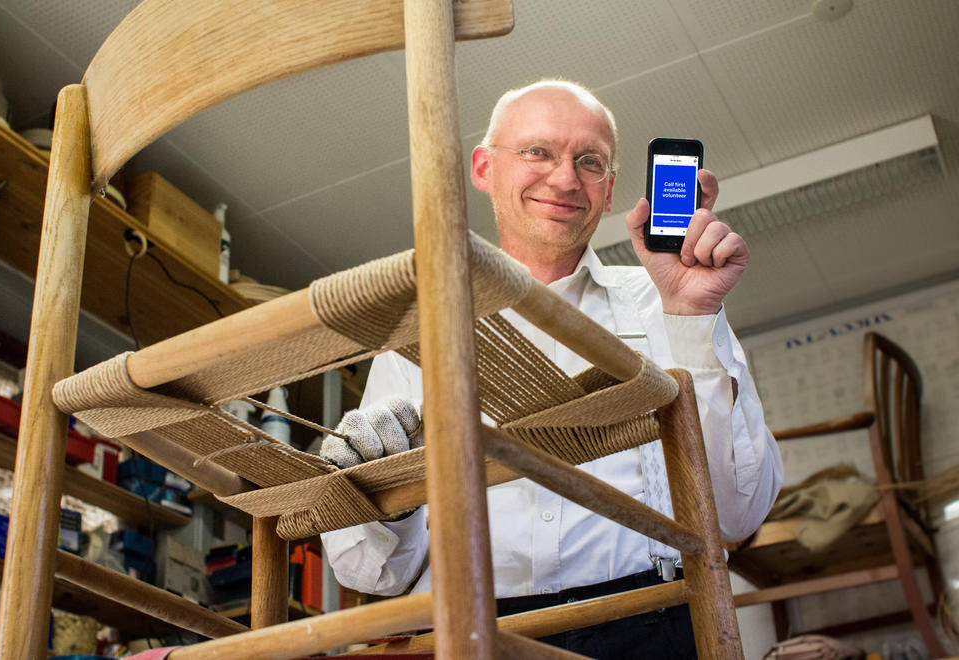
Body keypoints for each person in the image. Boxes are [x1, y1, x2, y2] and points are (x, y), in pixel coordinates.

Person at [320, 80, 783, 658]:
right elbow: (371, 573)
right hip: (479, 637)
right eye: (538, 151)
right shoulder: (420, 335)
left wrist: (691, 316)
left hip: (655, 624)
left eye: (589, 161)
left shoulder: (668, 300)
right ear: (484, 167)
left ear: (610, 190)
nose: (565, 179)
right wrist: (385, 491)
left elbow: (737, 516)